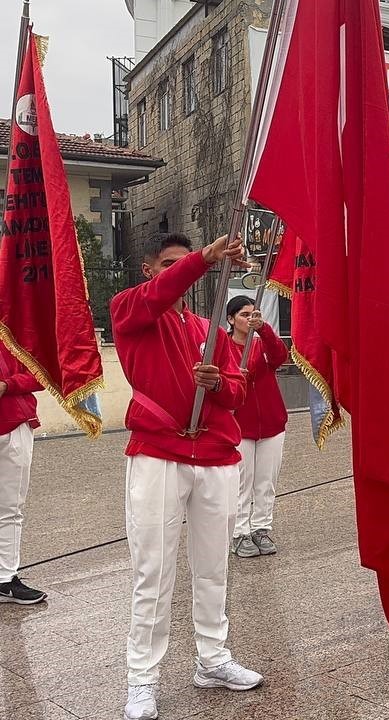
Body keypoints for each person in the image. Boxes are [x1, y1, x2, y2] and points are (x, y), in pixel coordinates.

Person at [110, 233, 263, 720]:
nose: (181, 271)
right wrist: (204, 258)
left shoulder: (210, 327)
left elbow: (238, 390)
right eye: (170, 264)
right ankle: (142, 678)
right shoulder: (130, 309)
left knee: (213, 567)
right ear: (150, 270)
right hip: (158, 453)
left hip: (215, 456)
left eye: (186, 262)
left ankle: (213, 659)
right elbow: (161, 293)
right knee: (152, 570)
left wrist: (217, 382)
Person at [226, 297, 289, 558]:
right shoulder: (223, 347)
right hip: (240, 425)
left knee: (266, 482)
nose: (250, 318)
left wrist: (264, 328)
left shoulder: (262, 344)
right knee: (242, 482)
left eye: (254, 313)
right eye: (244, 314)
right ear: (231, 319)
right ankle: (240, 532)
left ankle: (261, 528)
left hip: (272, 424)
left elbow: (280, 356)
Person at [0, 342, 45, 605]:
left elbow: (42, 373)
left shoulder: (18, 330)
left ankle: (5, 578)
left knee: (11, 508)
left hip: (15, 424)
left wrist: (8, 385)